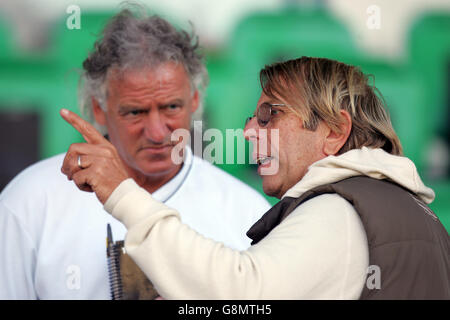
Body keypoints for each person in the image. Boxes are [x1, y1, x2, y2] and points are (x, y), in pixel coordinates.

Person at [61, 56, 450, 299]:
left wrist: (122, 193)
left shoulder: (339, 212)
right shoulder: (400, 208)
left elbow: (241, 291)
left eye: (269, 115)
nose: (249, 131)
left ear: (333, 132)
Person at [0, 10, 270, 299]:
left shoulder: (246, 214)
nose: (156, 132)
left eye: (171, 108)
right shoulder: (31, 201)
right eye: (135, 112)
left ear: (195, 99)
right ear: (99, 108)